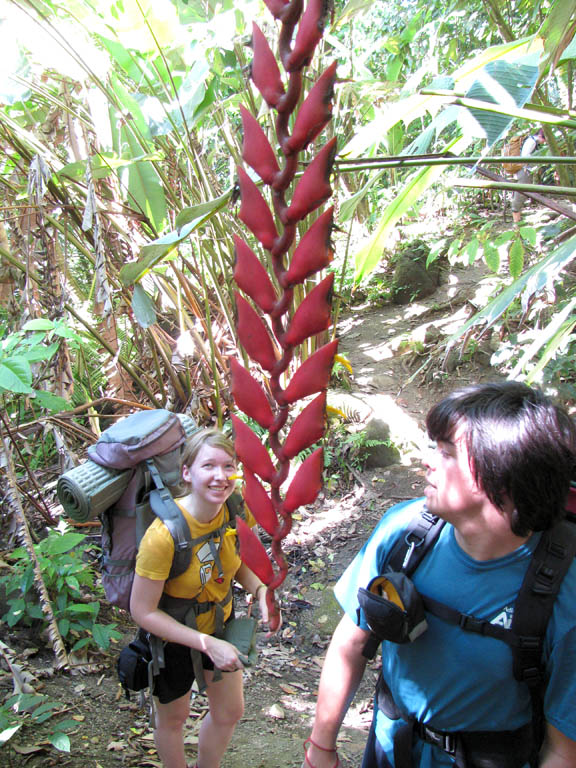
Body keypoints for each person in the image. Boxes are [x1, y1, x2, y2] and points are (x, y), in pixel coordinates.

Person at [302, 381, 576, 768]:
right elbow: (351, 642)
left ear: (503, 475)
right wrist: (321, 748)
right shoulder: (405, 532)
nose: (427, 461)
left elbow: (564, 749)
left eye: (446, 453)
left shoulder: (565, 586)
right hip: (391, 749)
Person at [130, 428, 278, 768]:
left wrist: (259, 590)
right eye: (208, 466)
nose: (220, 476)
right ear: (187, 473)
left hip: (219, 623)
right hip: (173, 636)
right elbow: (142, 610)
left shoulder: (233, 511)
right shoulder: (164, 536)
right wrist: (206, 644)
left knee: (229, 711)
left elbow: (233, 562)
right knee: (173, 719)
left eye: (228, 466)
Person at [512, 128, 546, 224]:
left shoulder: (532, 141)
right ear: (540, 136)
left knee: (521, 194)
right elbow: (525, 156)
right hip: (524, 170)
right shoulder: (531, 142)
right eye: (544, 139)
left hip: (524, 170)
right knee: (520, 194)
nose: (544, 142)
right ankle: (516, 222)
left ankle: (517, 219)